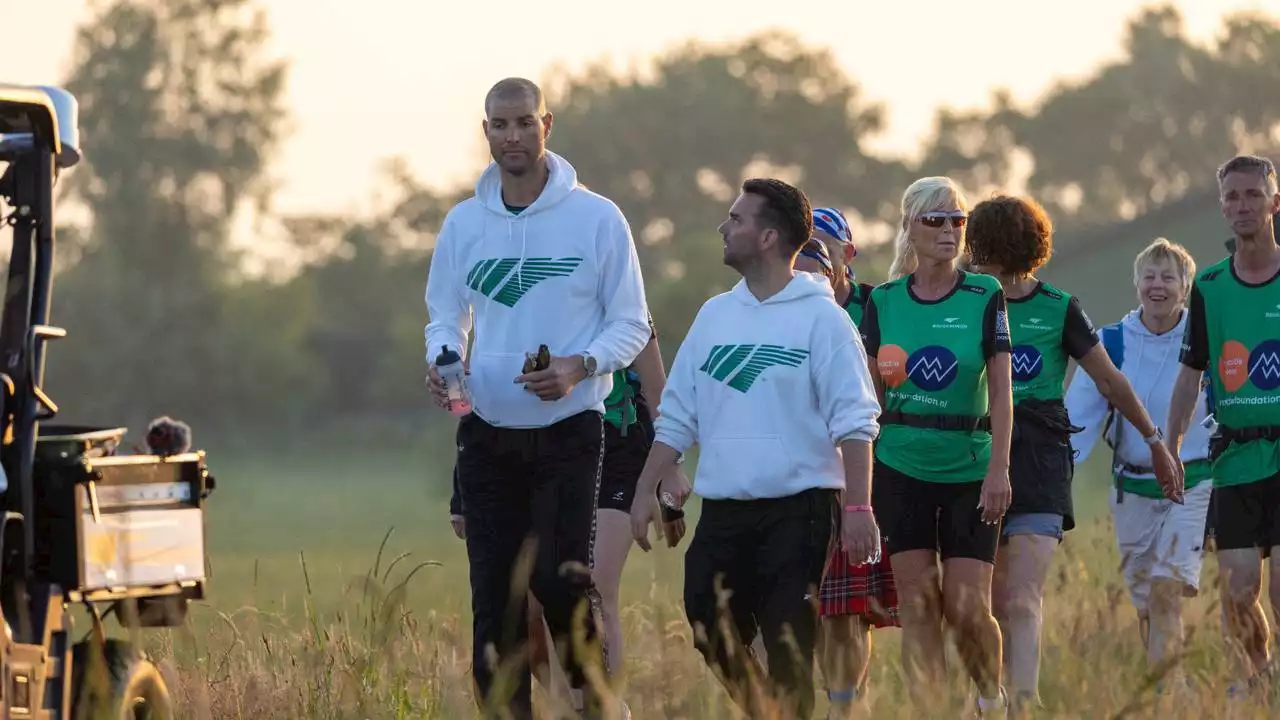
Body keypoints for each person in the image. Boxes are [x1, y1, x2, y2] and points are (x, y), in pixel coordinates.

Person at [424, 77, 651, 719]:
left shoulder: (597, 218)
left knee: (559, 582)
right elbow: (444, 316)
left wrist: (581, 366)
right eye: (500, 125)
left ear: (546, 124)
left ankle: (597, 705)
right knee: (493, 601)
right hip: (487, 433)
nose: (512, 136)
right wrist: (442, 362)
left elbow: (633, 322)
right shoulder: (465, 223)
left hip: (569, 431)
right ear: (486, 131)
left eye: (525, 122)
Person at [629, 178, 883, 720]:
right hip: (723, 511)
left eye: (736, 219)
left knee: (790, 646)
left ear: (768, 237)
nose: (724, 227)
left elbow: (856, 421)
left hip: (800, 511)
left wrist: (859, 508)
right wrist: (645, 488)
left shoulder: (824, 321)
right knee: (705, 621)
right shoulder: (715, 316)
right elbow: (676, 416)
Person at [964, 197, 1180, 710]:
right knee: (988, 599)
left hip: (1039, 454)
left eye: (980, 246)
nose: (972, 256)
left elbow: (1109, 380)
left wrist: (1154, 442)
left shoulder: (1059, 306)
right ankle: (988, 698)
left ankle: (1026, 699)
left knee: (1021, 598)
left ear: (1001, 248)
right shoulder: (968, 301)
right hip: (977, 452)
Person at [859, 176, 1012, 715]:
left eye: (957, 220)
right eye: (936, 220)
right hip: (900, 466)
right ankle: (933, 710)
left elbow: (1001, 388)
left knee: (968, 606)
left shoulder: (984, 294)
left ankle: (992, 699)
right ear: (911, 226)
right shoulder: (883, 301)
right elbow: (869, 398)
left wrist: (1000, 468)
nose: (949, 230)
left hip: (969, 464)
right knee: (920, 606)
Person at [1064, 237, 1211, 689]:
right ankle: (1172, 692)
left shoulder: (1204, 340)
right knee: (1148, 604)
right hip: (1131, 491)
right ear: (1136, 284)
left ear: (1186, 289)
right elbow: (1077, 422)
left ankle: (1171, 702)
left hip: (1194, 484)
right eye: (1149, 276)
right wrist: (1053, 482)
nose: (1158, 285)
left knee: (1166, 592)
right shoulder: (1111, 343)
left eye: (1169, 277)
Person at [1166, 154, 1280, 699]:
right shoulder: (1209, 286)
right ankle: (1259, 677)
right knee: (1237, 591)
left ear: (1274, 203)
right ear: (1221, 207)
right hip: (1234, 459)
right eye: (1232, 197)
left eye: (1253, 195)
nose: (1242, 206)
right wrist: (1170, 446)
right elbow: (1191, 375)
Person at [800, 207, 900, 719]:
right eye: (804, 245)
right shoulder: (781, 306)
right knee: (809, 607)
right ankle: (833, 697)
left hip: (862, 473)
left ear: (847, 254)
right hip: (799, 471)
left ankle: (847, 708)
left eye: (824, 245)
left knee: (848, 612)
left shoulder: (875, 307)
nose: (813, 255)